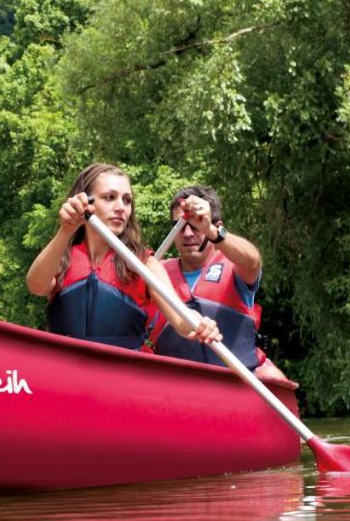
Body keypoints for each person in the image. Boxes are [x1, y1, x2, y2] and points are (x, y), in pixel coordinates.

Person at [26, 163, 222, 351]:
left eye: (127, 200)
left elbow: (182, 319)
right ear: (87, 203)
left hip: (122, 375)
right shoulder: (62, 256)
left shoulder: (144, 262)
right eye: (109, 197)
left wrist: (200, 323)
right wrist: (66, 230)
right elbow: (37, 286)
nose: (121, 207)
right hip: (65, 371)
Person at [153, 186, 293, 384]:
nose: (186, 233)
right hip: (176, 388)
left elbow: (253, 261)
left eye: (194, 225)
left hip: (235, 383)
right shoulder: (154, 271)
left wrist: (211, 230)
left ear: (216, 225)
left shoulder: (237, 266)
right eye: (179, 226)